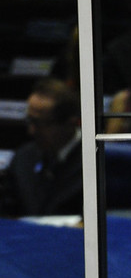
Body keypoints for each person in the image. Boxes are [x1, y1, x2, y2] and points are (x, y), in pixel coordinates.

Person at [1, 78, 82, 217]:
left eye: (40, 123)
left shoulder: (96, 162)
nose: (31, 131)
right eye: (30, 120)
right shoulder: (24, 157)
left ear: (71, 123)